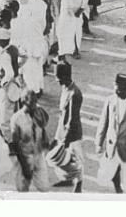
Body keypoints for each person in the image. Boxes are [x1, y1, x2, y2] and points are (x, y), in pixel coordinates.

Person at [9, 91, 51, 192]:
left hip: (38, 155)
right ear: (24, 102)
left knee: (44, 188)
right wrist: (24, 166)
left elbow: (42, 129)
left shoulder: (39, 113)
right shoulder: (16, 119)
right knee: (22, 189)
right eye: (32, 103)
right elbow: (15, 144)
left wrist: (46, 142)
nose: (35, 105)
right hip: (24, 156)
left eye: (35, 102)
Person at [53, 62, 83, 192]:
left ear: (66, 77)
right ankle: (68, 179)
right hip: (62, 127)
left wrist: (65, 140)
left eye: (59, 78)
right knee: (64, 158)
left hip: (72, 132)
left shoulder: (74, 94)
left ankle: (78, 186)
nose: (57, 81)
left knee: (76, 160)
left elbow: (72, 119)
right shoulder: (65, 88)